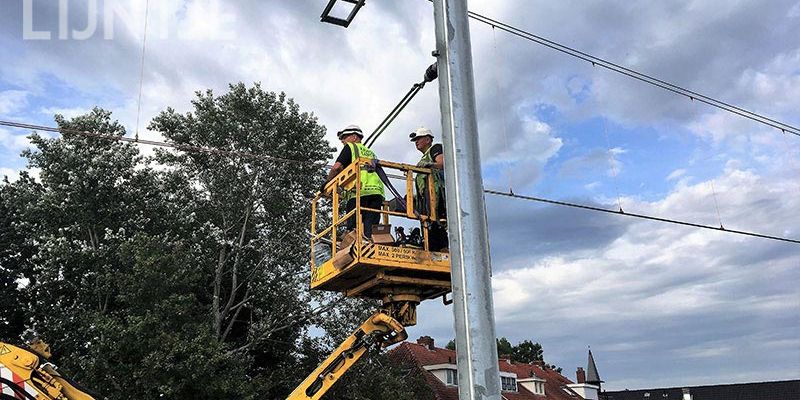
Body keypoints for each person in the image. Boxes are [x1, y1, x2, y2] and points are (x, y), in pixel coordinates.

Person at [322, 124, 384, 237]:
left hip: (359, 192)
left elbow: (336, 167)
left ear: (355, 137)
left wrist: (327, 183)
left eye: (345, 137)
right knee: (370, 230)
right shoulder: (370, 153)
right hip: (376, 193)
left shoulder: (350, 147)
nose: (343, 141)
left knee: (354, 231)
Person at [409, 127, 448, 251]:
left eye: (418, 139)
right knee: (427, 223)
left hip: (436, 194)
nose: (416, 142)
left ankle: (442, 247)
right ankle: (431, 248)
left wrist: (430, 164)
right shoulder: (423, 158)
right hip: (426, 197)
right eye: (415, 140)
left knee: (436, 222)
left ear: (427, 139)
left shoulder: (435, 148)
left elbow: (442, 164)